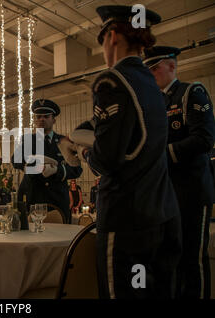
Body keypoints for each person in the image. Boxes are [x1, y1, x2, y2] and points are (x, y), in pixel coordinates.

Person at [73, 6, 182, 298]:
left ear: (111, 36)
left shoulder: (112, 82)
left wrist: (85, 152)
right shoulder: (155, 88)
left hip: (127, 220)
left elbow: (107, 159)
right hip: (163, 212)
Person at [144, 46, 214, 299]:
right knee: (169, 257)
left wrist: (161, 156)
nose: (150, 74)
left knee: (192, 258)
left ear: (171, 66)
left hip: (192, 190)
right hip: (166, 193)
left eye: (154, 68)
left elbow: (205, 139)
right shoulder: (155, 103)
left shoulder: (190, 92)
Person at [12, 99, 83, 224]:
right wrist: (28, 166)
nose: (42, 119)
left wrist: (58, 170)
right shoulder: (28, 140)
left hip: (58, 199)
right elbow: (15, 159)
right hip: (34, 197)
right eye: (38, 116)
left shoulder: (64, 141)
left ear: (54, 119)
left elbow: (77, 169)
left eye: (46, 116)